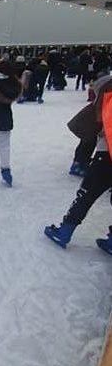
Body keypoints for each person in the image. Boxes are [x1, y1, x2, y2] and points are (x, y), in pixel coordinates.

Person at [45, 79, 112, 251]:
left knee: (87, 193)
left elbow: (98, 85)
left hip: (106, 154)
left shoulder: (108, 90)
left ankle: (64, 231)